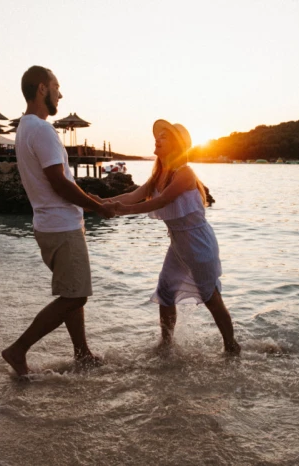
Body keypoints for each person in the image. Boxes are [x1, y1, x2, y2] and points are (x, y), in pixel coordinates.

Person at [2, 66, 119, 377]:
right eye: (57, 87)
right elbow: (60, 182)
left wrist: (92, 205)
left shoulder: (25, 128)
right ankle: (18, 349)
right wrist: (97, 206)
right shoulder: (41, 129)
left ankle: (82, 353)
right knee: (76, 295)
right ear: (42, 89)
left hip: (47, 225)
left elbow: (55, 179)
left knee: (71, 292)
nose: (61, 94)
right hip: (62, 226)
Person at [92, 120, 241, 354]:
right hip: (179, 245)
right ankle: (167, 345)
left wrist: (120, 210)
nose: (157, 139)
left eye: (164, 136)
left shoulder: (185, 173)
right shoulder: (159, 174)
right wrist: (100, 202)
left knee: (210, 296)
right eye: (157, 136)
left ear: (176, 144)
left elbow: (160, 202)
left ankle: (232, 347)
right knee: (165, 292)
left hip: (198, 243)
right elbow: (135, 195)